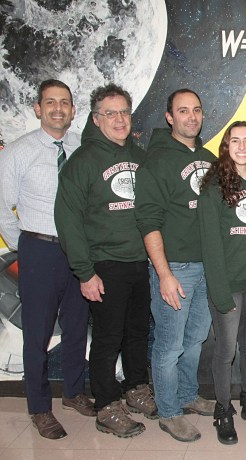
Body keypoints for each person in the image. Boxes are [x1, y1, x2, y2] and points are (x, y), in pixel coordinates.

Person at [55, 83, 156, 438]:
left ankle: (135, 388)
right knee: (107, 338)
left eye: (124, 112)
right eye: (110, 113)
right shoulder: (82, 162)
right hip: (104, 264)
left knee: (137, 333)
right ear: (96, 120)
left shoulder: (141, 157)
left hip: (139, 262)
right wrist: (85, 272)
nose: (119, 119)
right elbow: (67, 220)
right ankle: (106, 405)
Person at [0, 80, 94, 440]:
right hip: (40, 250)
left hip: (79, 251)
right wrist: (25, 245)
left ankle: (73, 392)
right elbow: (2, 209)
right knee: (37, 334)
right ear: (38, 108)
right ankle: (39, 407)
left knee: (76, 326)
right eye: (51, 102)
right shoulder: (17, 153)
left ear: (73, 110)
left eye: (65, 103)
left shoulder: (80, 149)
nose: (58, 109)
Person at [135, 88, 215, 442]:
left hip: (208, 268)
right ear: (170, 117)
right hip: (176, 269)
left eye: (196, 110)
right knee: (169, 345)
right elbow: (148, 221)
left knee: (195, 339)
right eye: (183, 111)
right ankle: (168, 411)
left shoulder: (210, 157)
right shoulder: (156, 160)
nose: (191, 117)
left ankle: (187, 395)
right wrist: (164, 274)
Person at [197, 121, 246, 444]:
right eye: (235, 141)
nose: (242, 147)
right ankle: (223, 409)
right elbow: (210, 246)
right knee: (225, 350)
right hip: (227, 285)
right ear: (225, 147)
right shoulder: (213, 187)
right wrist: (220, 291)